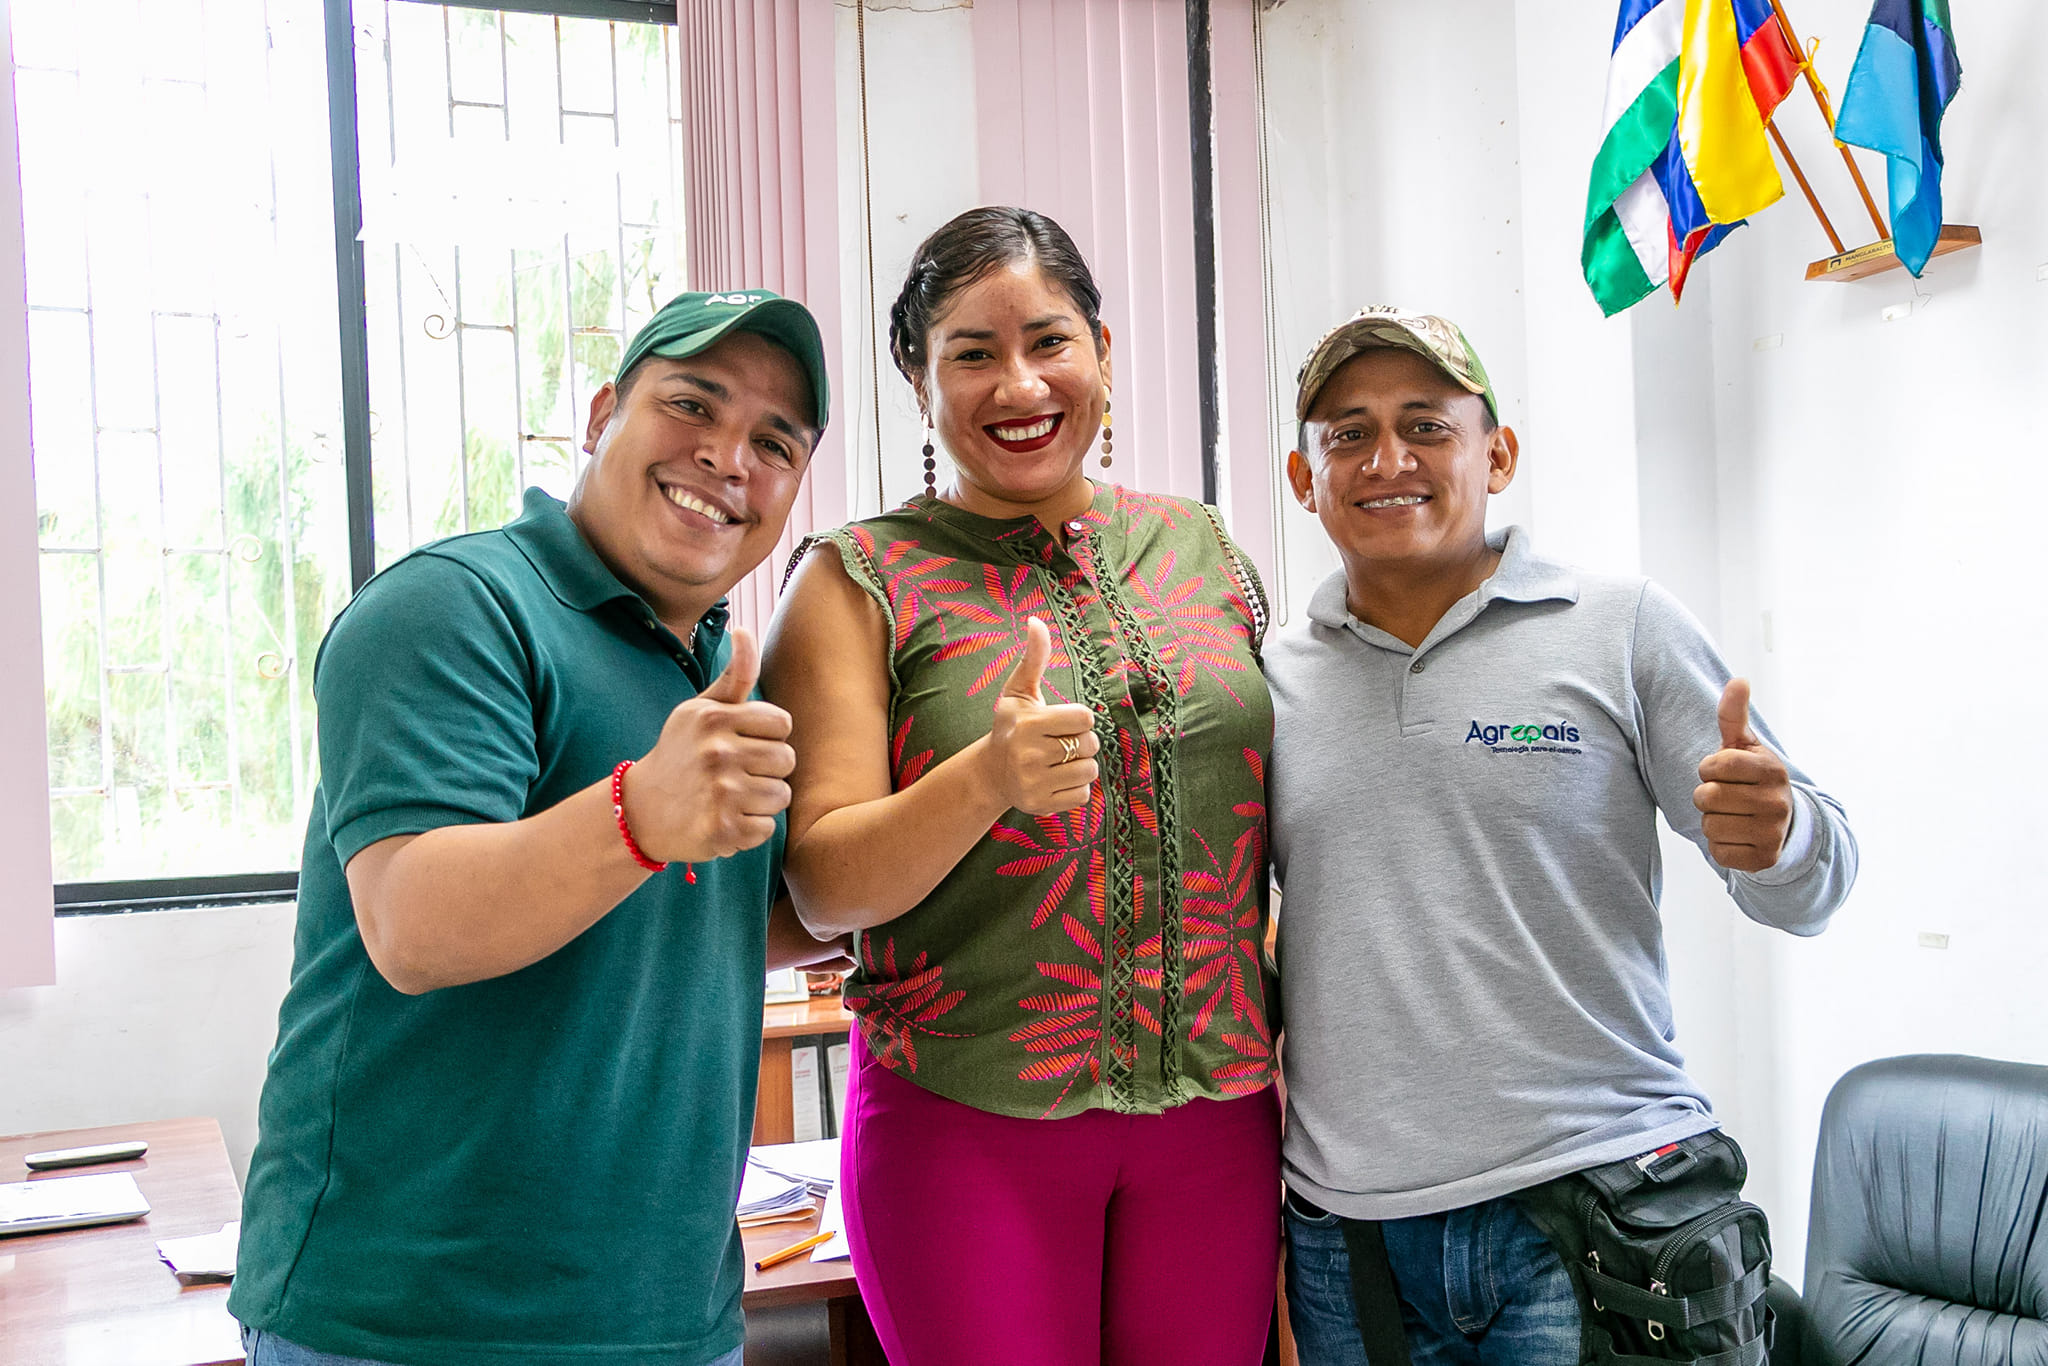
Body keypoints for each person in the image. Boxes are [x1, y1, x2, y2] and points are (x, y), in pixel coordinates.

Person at [230, 290, 847, 1366]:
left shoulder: (720, 671)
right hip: (412, 1323)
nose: (725, 457)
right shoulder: (451, 608)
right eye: (692, 405)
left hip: (669, 1319)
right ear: (603, 416)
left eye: (773, 443)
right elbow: (415, 925)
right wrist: (640, 813)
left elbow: (713, 926)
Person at [1265, 306, 1858, 1365]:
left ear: (1496, 454)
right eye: (1348, 434)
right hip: (1351, 1242)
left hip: (1594, 1207)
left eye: (1425, 425)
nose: (1387, 459)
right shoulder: (1266, 681)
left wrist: (1781, 837)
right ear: (1304, 478)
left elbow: (1813, 889)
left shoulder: (1620, 626)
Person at [762, 206, 1281, 1366]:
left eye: (1048, 341)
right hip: (966, 1125)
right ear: (918, 378)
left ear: (1101, 351)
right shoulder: (856, 580)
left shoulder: (1205, 550)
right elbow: (824, 885)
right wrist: (985, 777)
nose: (1019, 384)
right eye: (972, 353)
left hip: (1217, 1115)